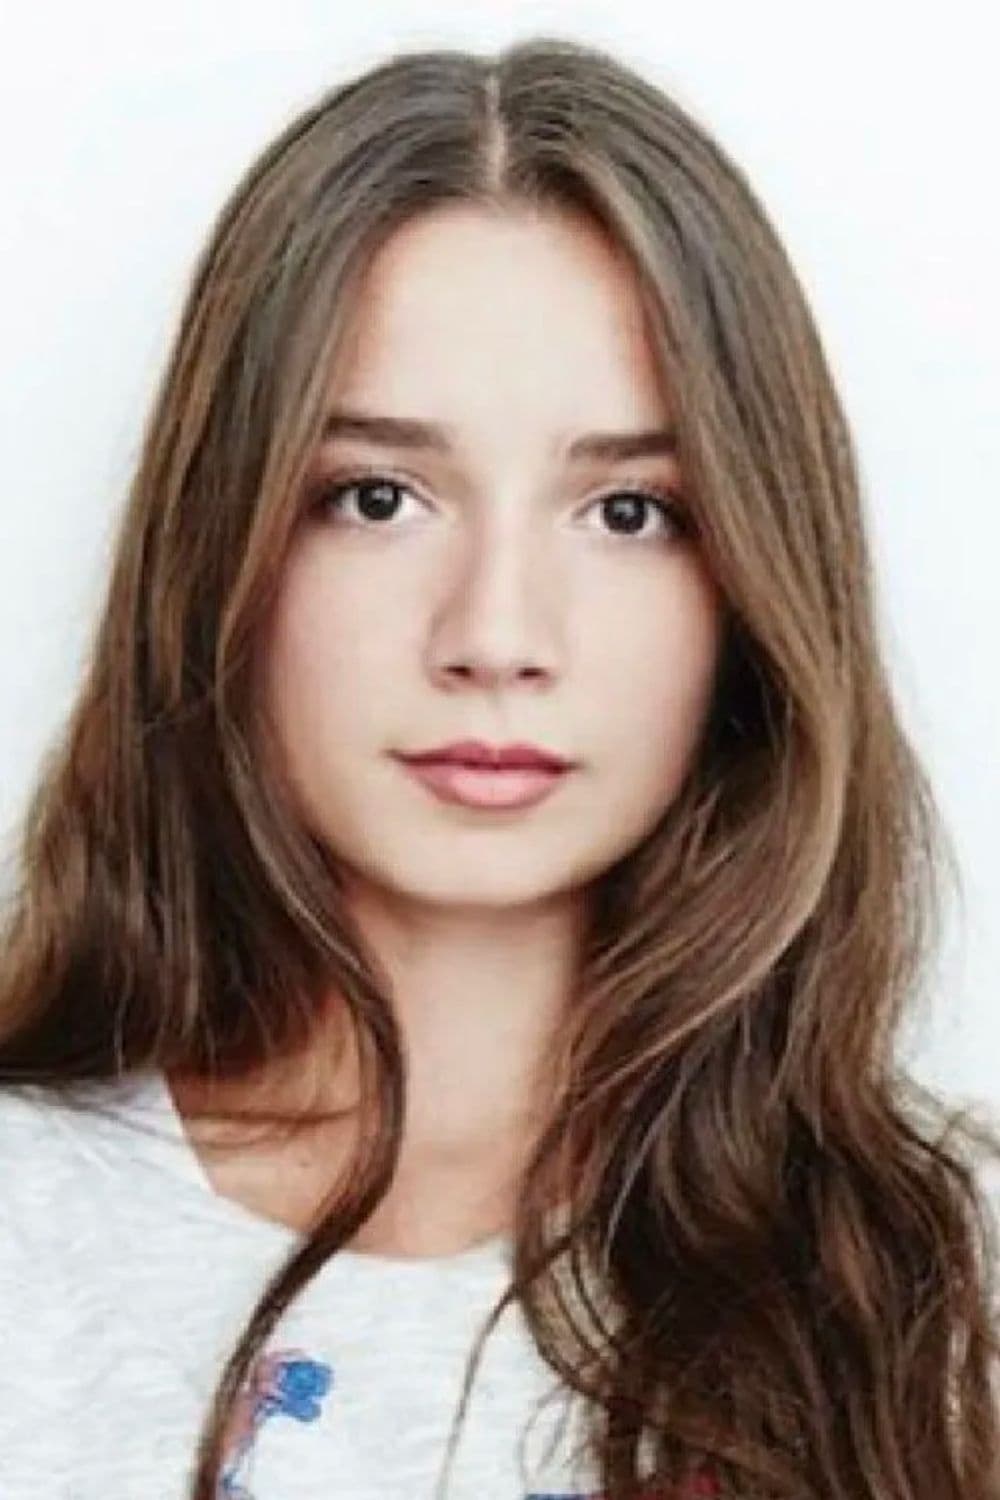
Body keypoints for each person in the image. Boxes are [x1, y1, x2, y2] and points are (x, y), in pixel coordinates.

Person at [0, 31, 996, 1500]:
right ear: (221, 547)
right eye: (378, 497)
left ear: (753, 581)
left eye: (629, 512)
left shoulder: (941, 1284)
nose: (496, 635)